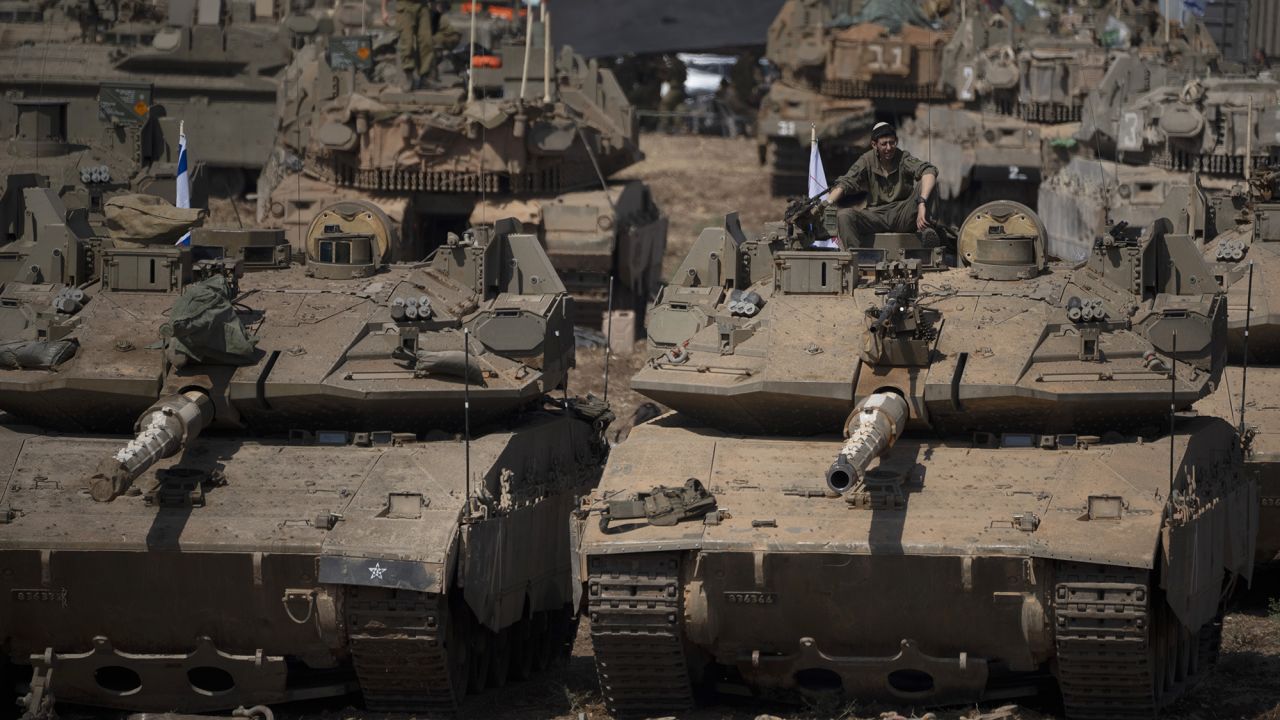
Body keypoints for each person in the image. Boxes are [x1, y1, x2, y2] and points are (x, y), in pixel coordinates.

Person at [823, 122, 937, 247]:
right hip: (875, 216)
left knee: (927, 184)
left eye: (892, 142)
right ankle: (854, 257)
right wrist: (827, 203)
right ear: (874, 144)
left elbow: (929, 171)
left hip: (903, 214)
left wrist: (922, 203)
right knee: (844, 216)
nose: (889, 148)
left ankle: (927, 229)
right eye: (884, 144)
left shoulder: (903, 157)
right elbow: (845, 183)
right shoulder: (866, 160)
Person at [382, 0, 461, 88]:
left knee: (426, 41)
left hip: (422, 6)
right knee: (407, 43)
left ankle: (425, 78)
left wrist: (434, 6)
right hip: (405, 7)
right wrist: (384, 10)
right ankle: (409, 77)